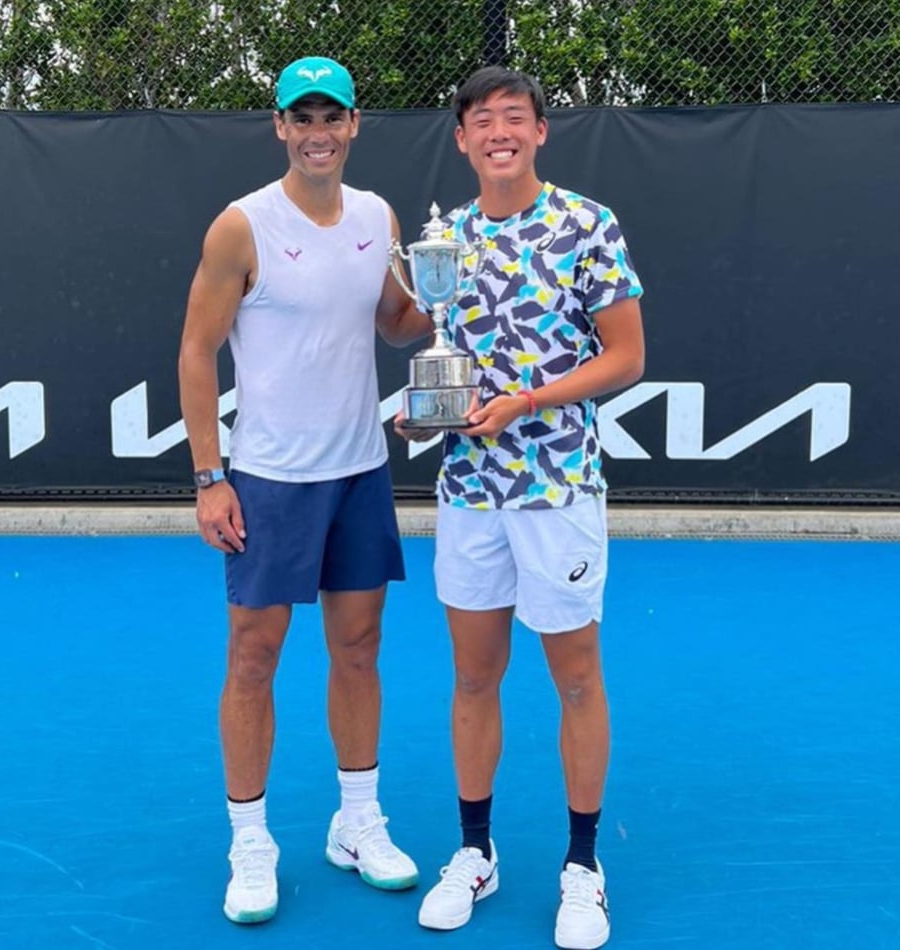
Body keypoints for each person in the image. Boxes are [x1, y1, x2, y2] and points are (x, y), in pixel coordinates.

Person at [178, 55, 431, 925]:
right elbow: (195, 352)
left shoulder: (378, 216)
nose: (318, 133)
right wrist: (211, 478)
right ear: (281, 127)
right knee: (254, 656)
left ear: (355, 125)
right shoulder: (241, 227)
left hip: (360, 472)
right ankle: (250, 840)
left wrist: (444, 297)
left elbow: (396, 323)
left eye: (334, 118)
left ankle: (357, 822)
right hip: (270, 480)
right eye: (303, 118)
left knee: (359, 649)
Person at [398, 66, 645, 949]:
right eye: (480, 121)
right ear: (462, 140)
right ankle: (475, 852)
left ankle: (584, 865)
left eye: (515, 117)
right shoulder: (446, 239)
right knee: (472, 677)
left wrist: (528, 403)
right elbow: (445, 356)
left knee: (575, 677)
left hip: (558, 490)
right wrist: (421, 409)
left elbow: (626, 358)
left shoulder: (587, 224)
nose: (498, 131)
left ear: (540, 132)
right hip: (469, 494)